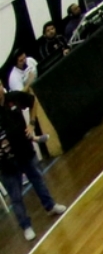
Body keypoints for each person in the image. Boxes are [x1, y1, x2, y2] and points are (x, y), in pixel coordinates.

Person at [1, 90, 65, 241]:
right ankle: (26, 226)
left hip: (25, 152)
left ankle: (50, 206)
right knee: (16, 196)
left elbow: (32, 101)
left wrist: (31, 124)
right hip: (6, 162)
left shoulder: (14, 97)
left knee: (37, 179)